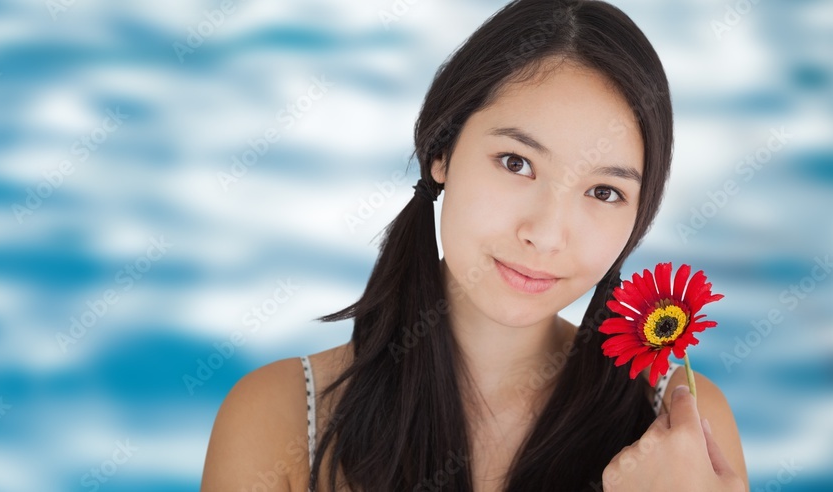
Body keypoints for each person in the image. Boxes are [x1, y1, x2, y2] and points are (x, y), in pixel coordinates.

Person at [202, 0, 749, 490]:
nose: (545, 232)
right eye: (517, 163)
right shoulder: (277, 418)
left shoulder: (682, 430)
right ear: (442, 152)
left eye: (604, 191)